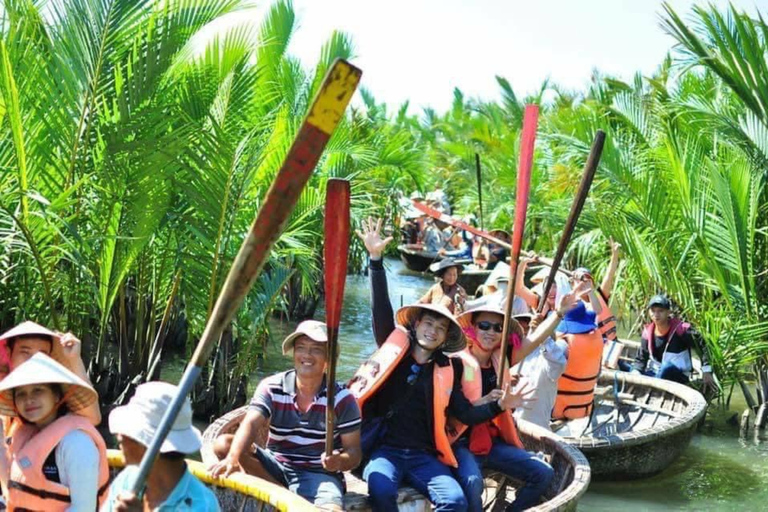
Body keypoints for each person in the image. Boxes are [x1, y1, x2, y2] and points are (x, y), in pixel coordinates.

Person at [352, 217, 529, 512]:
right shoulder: (395, 352)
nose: (433, 330)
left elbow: (465, 414)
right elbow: (381, 309)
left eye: (440, 327)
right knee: (381, 489)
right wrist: (375, 260)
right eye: (428, 323)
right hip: (386, 451)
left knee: (455, 501)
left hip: (424, 456)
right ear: (417, 324)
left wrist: (499, 405)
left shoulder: (450, 369)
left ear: (447, 336)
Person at [453, 285, 583, 511]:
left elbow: (534, 339)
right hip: (462, 443)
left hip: (492, 442)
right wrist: (486, 402)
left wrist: (559, 314)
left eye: (497, 328)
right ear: (473, 328)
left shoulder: (501, 358)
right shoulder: (456, 362)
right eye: (484, 325)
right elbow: (453, 410)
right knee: (473, 483)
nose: (490, 332)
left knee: (544, 473)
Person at [209, 320, 361, 511]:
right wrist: (233, 458)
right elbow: (250, 424)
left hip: (319, 474)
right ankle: (285, 495)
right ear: (294, 354)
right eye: (301, 348)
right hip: (276, 465)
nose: (306, 355)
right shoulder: (272, 386)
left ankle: (287, 498)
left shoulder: (342, 399)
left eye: (316, 349)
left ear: (328, 359)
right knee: (224, 444)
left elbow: (354, 453)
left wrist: (338, 461)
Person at [0, 353, 109, 511]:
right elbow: (10, 492)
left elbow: (84, 508)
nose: (29, 399)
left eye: (38, 390)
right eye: (21, 393)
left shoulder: (77, 442)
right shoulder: (24, 436)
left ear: (57, 396)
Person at [104, 381, 220, 511]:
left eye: (128, 432)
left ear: (150, 447)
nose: (120, 436)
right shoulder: (126, 480)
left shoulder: (201, 505)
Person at [632, 295, 716, 393]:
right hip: (655, 373)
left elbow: (703, 345)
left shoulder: (681, 330)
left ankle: (652, 388)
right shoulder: (647, 332)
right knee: (624, 367)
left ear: (668, 312)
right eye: (653, 311)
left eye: (660, 311)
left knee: (667, 367)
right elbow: (641, 359)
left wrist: (706, 370)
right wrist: (635, 372)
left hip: (678, 375)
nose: (656, 314)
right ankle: (652, 384)